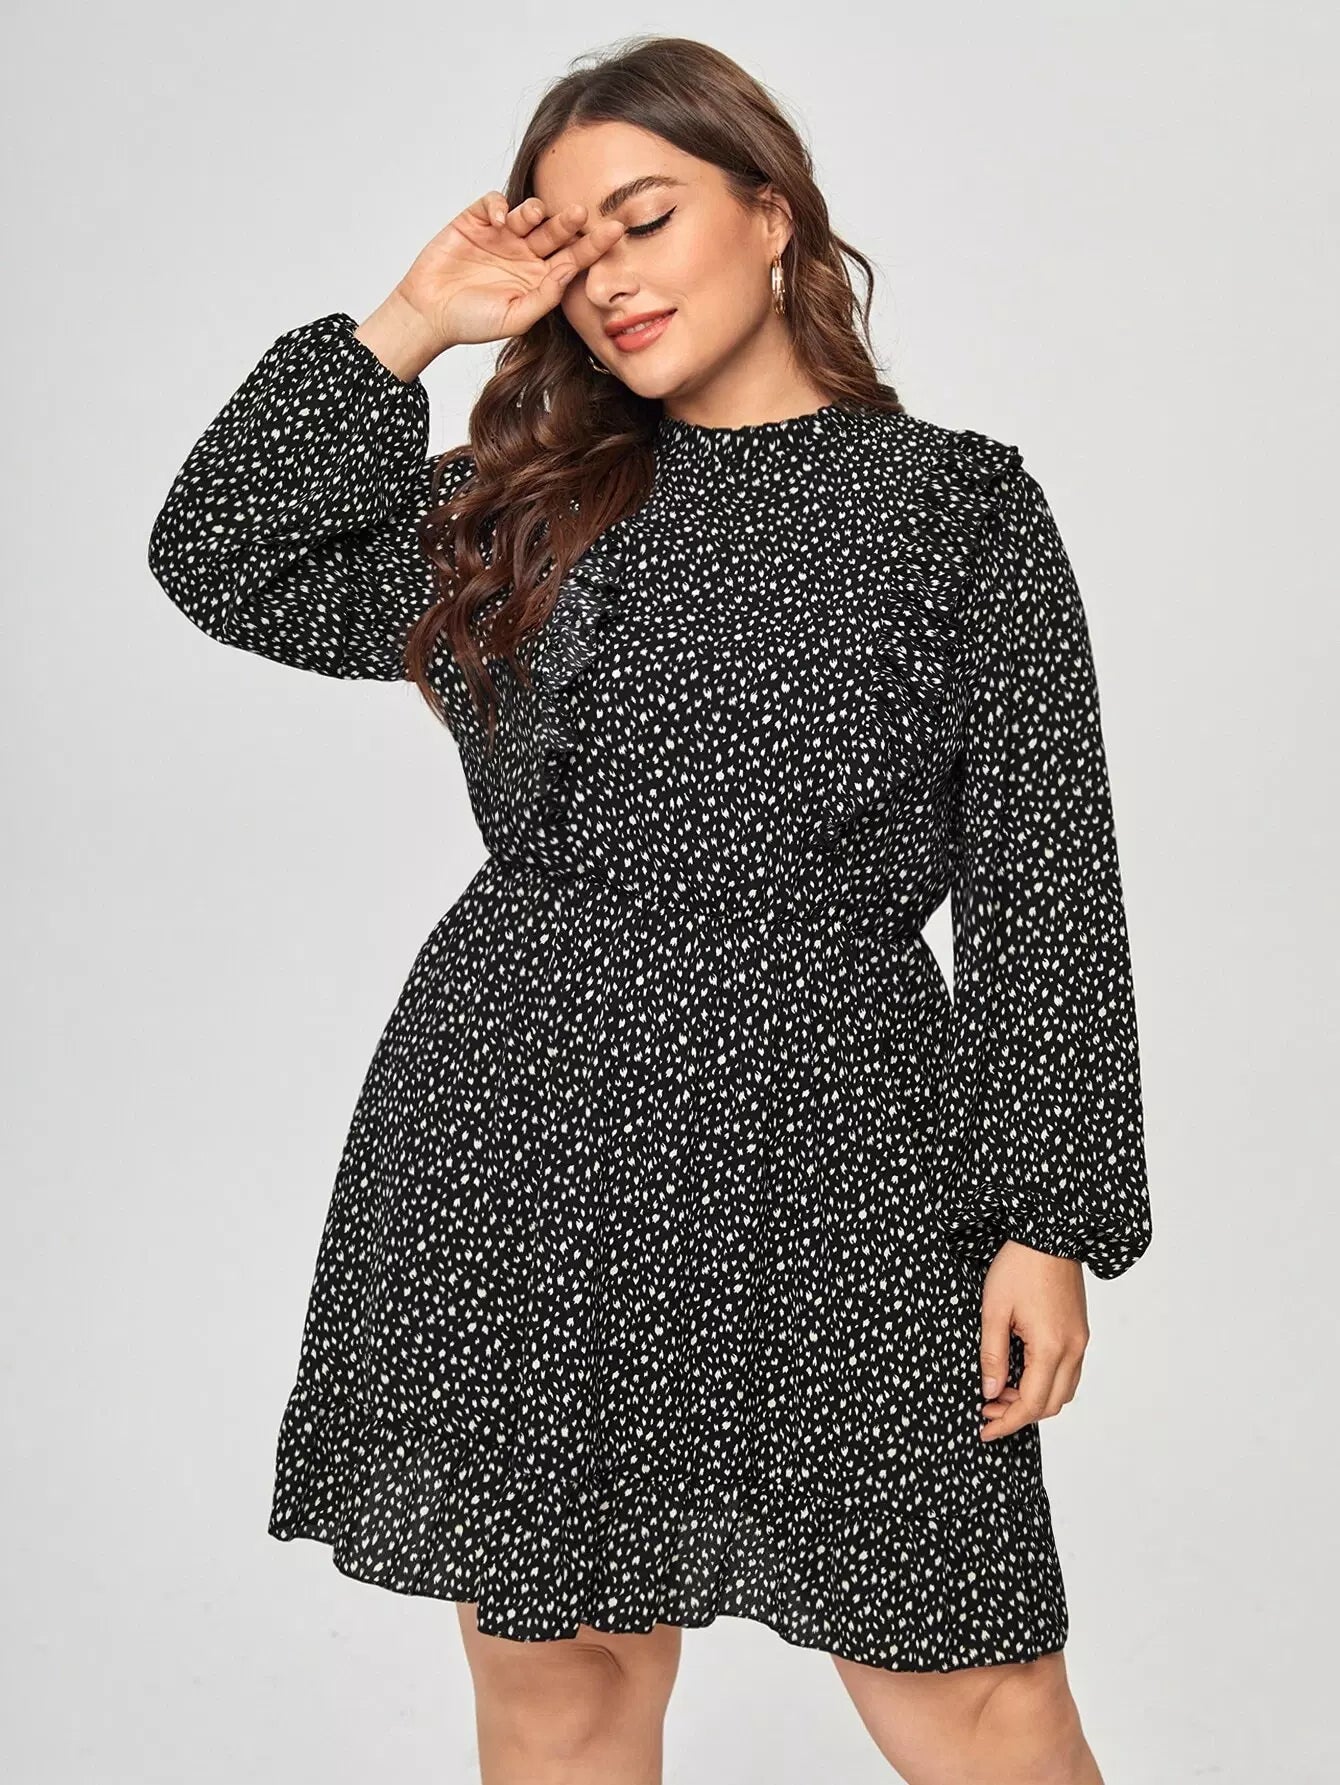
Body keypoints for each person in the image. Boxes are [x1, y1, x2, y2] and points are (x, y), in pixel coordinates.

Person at [146, 33, 1152, 1785]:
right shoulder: (519, 518)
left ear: (772, 215)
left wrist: (1044, 1219)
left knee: (979, 1688)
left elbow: (1045, 875)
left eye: (647, 215)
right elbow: (221, 549)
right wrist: (414, 316)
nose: (609, 274)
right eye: (571, 241)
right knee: (564, 1677)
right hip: (529, 1119)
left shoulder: (954, 509)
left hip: (841, 1136)